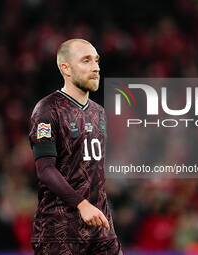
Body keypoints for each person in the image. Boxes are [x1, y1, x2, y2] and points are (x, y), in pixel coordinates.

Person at [29, 39, 123, 254]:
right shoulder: (47, 109)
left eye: (97, 61)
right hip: (60, 231)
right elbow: (45, 170)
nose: (96, 67)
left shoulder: (98, 112)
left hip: (100, 228)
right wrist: (81, 204)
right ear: (66, 68)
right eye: (86, 61)